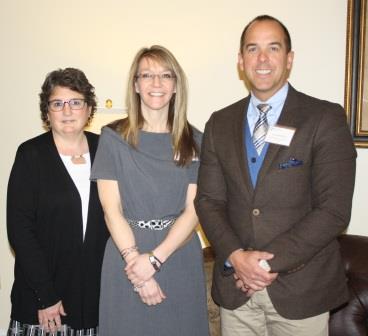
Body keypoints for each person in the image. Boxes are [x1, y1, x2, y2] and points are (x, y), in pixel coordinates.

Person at [195, 15, 357, 336]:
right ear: (241, 61)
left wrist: (264, 265)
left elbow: (334, 210)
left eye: (273, 48)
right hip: (236, 291)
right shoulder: (219, 123)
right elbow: (209, 201)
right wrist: (237, 257)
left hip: (301, 292)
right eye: (253, 49)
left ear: (289, 58)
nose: (263, 58)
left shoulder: (324, 118)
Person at [90, 45, 209, 336]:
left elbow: (194, 211)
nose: (156, 84)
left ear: (176, 85)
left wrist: (155, 259)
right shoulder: (112, 137)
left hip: (177, 254)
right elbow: (111, 210)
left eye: (165, 75)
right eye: (147, 75)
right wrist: (138, 269)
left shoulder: (195, 140)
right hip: (125, 256)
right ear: (136, 84)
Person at [7, 68, 109, 336]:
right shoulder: (31, 155)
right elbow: (20, 231)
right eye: (57, 103)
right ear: (47, 111)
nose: (67, 111)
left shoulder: (106, 150)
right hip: (44, 302)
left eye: (75, 102)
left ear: (88, 109)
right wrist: (46, 296)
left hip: (94, 299)